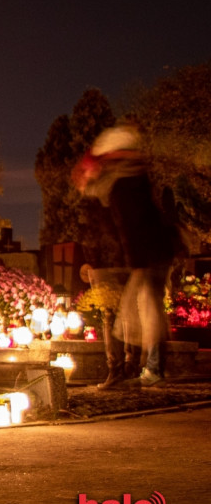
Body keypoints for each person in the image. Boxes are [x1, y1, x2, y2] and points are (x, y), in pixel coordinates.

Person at [73, 123, 176, 389]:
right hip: (142, 254)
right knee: (138, 313)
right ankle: (141, 369)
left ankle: (145, 370)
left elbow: (132, 226)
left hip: (142, 256)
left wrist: (135, 263)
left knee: (141, 313)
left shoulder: (122, 187)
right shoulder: (130, 182)